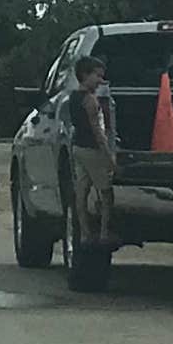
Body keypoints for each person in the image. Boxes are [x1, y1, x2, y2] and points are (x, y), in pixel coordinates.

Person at [62, 52, 115, 257]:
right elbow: (97, 130)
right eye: (97, 76)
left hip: (78, 147)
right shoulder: (90, 100)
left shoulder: (73, 98)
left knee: (81, 192)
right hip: (93, 150)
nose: (101, 80)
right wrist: (109, 156)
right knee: (106, 192)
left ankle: (85, 233)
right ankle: (104, 232)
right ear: (85, 75)